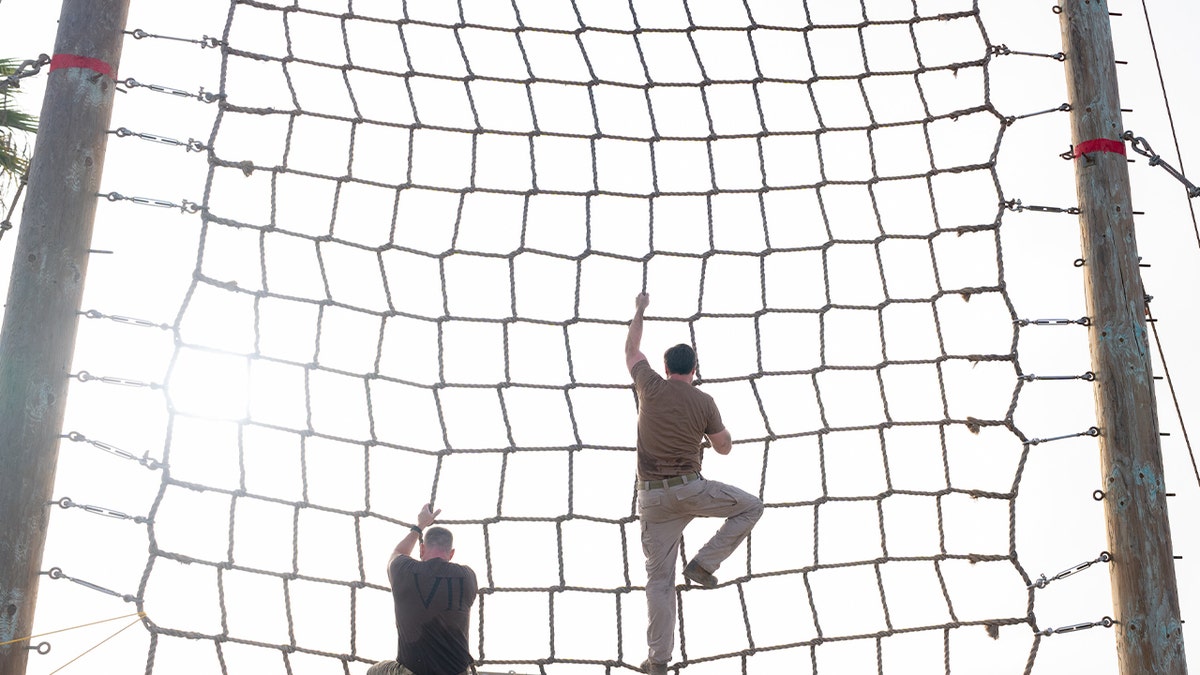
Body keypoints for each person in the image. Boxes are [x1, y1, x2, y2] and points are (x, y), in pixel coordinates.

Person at [625, 292, 764, 675]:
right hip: (691, 489)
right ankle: (703, 564)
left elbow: (632, 348)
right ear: (695, 368)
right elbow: (724, 449)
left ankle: (658, 662)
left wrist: (640, 310)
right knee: (751, 506)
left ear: (666, 366)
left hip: (652, 500)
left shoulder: (648, 384)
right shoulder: (705, 401)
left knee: (659, 583)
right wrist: (714, 434)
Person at [369, 504, 479, 675]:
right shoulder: (467, 576)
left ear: (421, 549)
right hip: (458, 672)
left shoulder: (403, 569)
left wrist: (419, 526)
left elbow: (398, 552)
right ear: (451, 554)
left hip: (414, 671)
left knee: (374, 671)